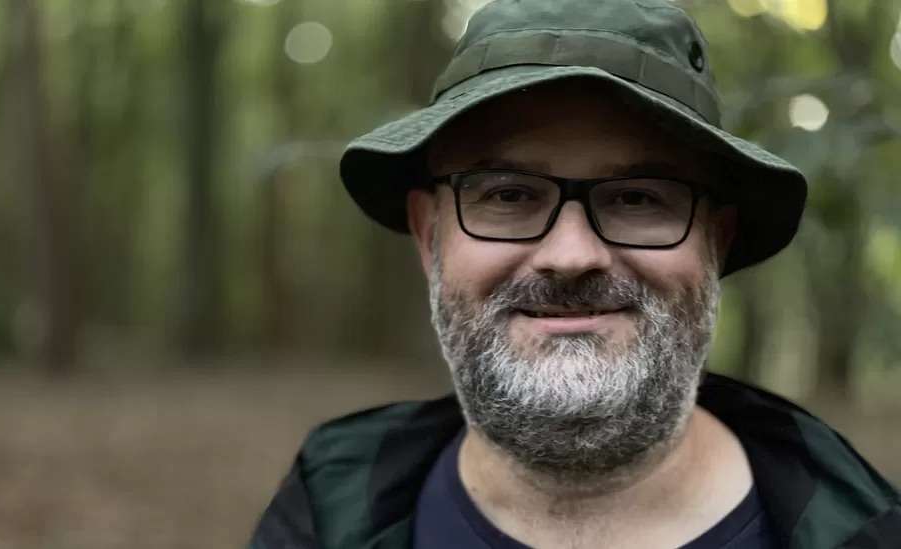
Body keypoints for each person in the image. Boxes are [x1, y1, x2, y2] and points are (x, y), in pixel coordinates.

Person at [250, 1, 901, 547]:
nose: (570, 254)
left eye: (638, 198)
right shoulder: (326, 510)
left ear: (715, 243)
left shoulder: (864, 531)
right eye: (509, 194)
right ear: (430, 236)